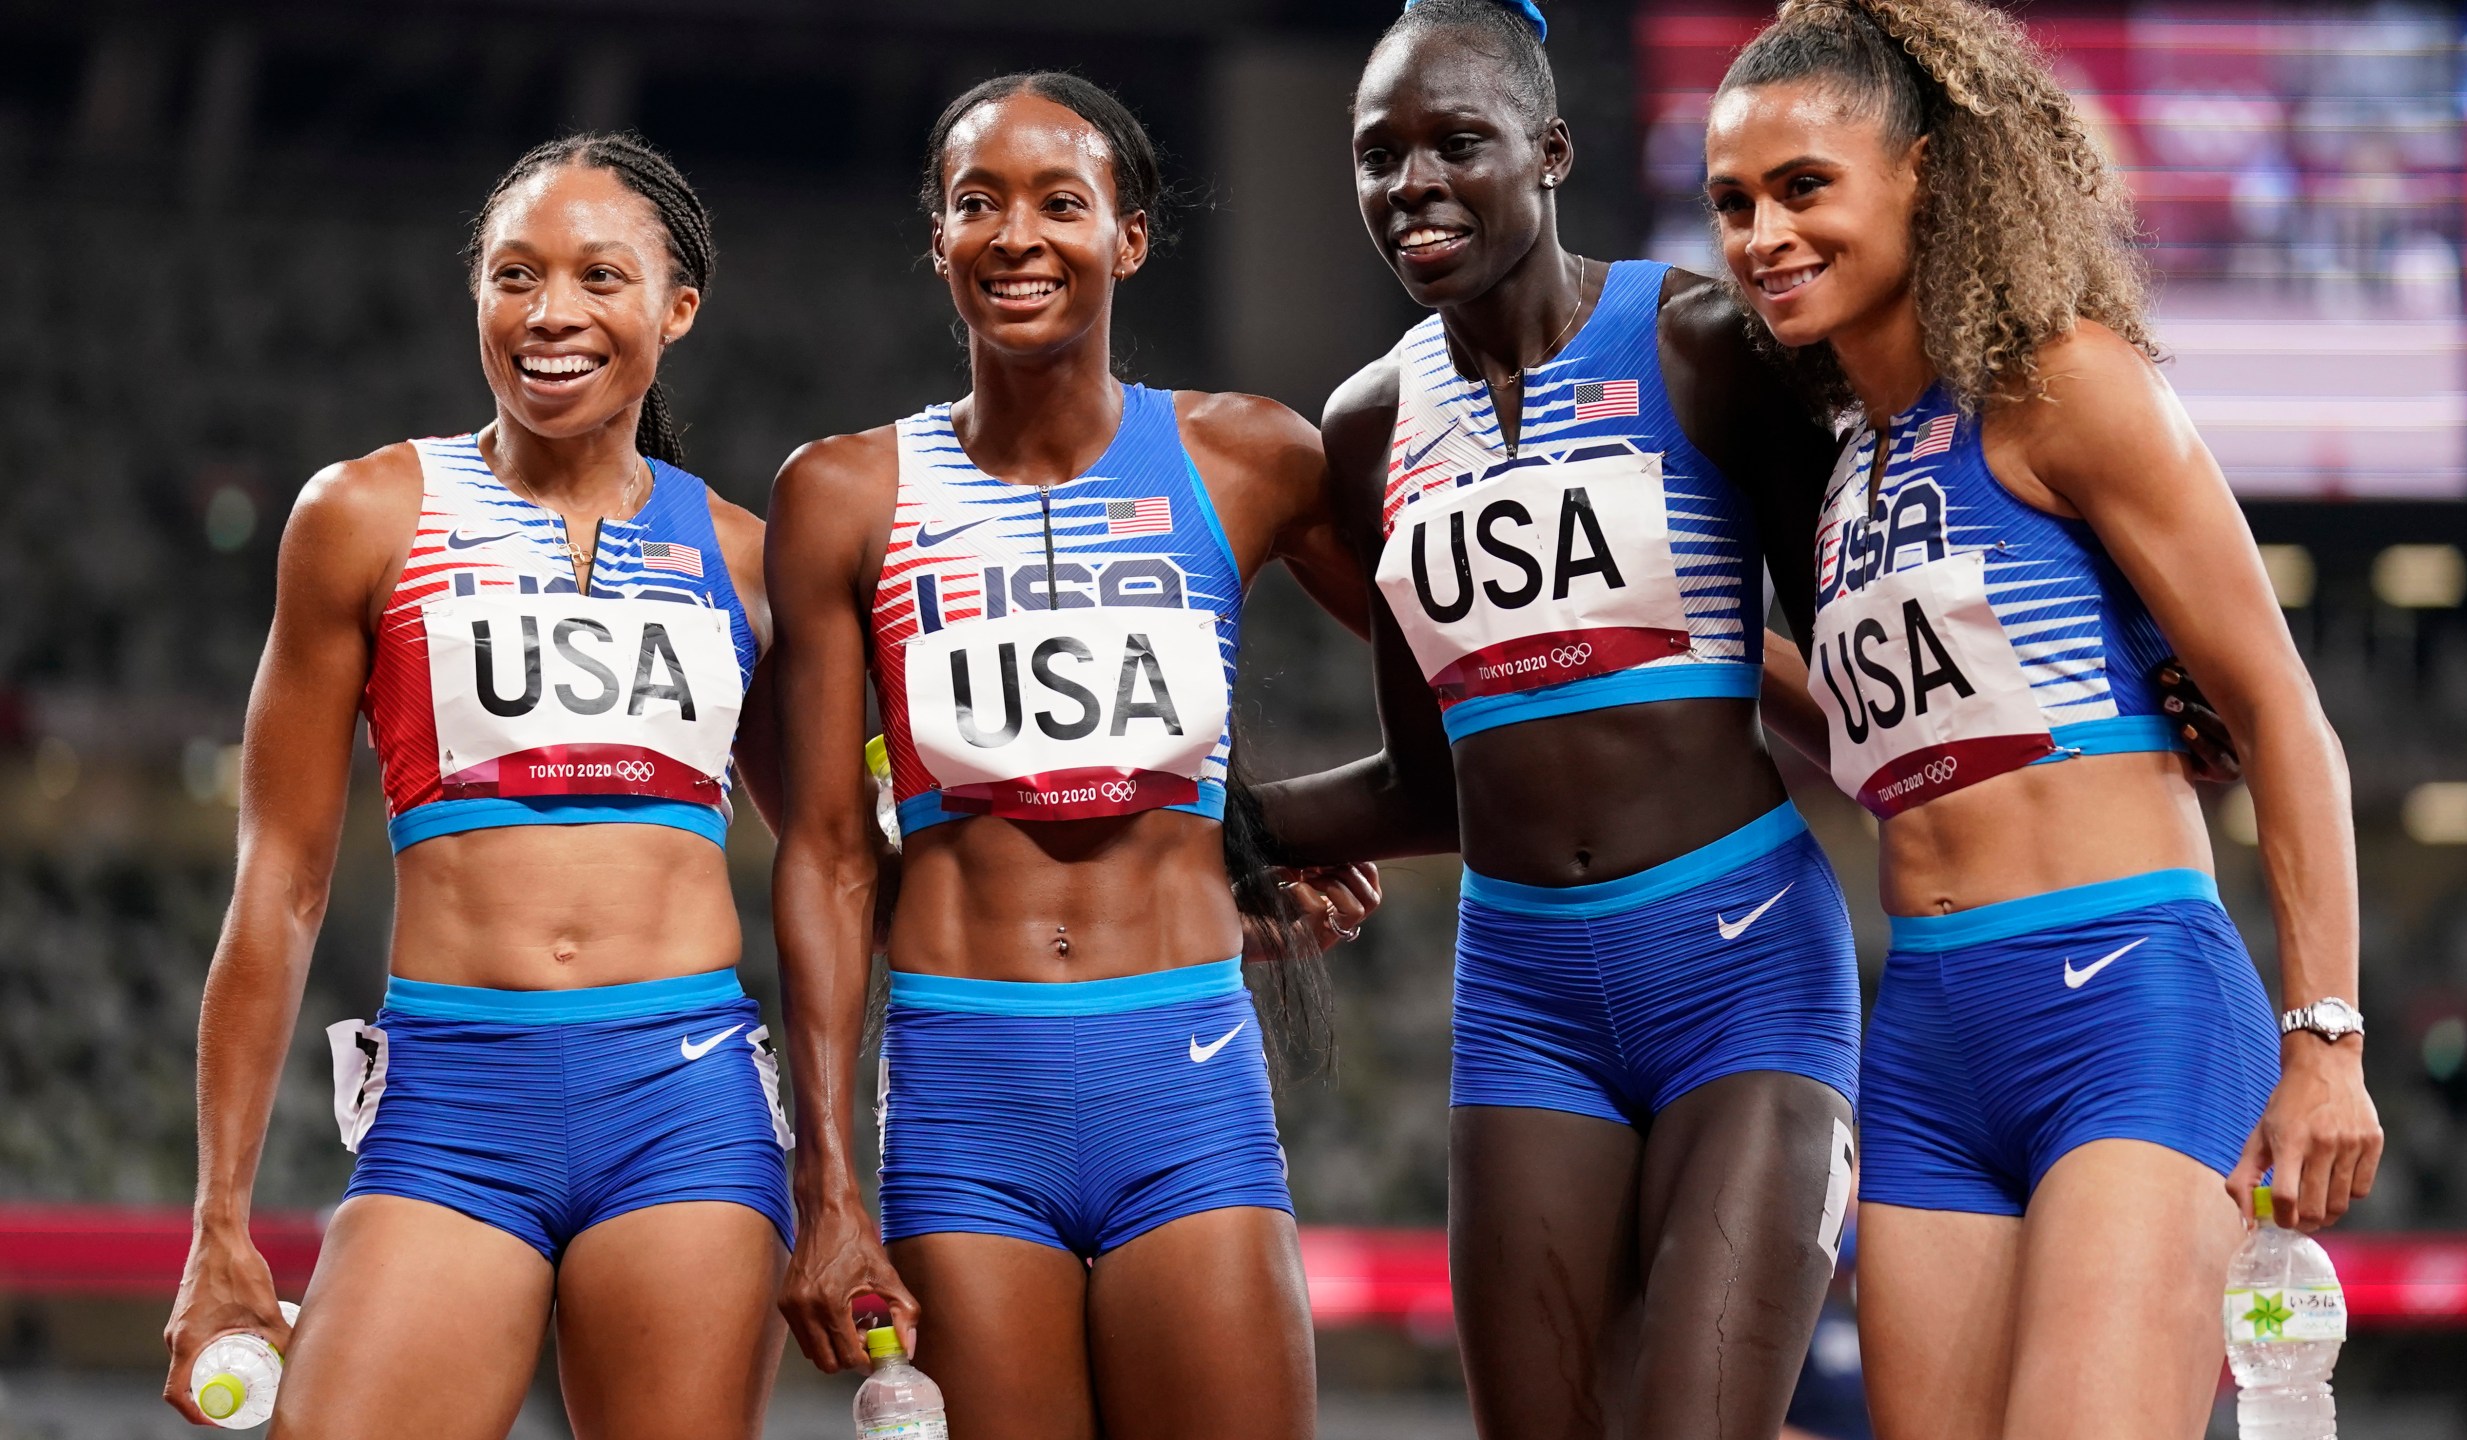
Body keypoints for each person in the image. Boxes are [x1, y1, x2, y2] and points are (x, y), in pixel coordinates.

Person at [1704, 3, 2385, 1436]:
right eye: (1734, 201)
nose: (1762, 233)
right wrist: (1705, 646)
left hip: (2129, 1001)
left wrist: (2325, 1038)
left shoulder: (2060, 386)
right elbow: (1904, 753)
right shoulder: (1840, 477)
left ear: (1928, 175)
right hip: (1932, 1029)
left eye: (1804, 187)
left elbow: (2277, 711)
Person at [1254, 3, 1868, 1435]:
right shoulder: (1365, 425)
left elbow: (1863, 633)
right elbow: (1428, 784)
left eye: (1454, 143)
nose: (1412, 185)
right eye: (1376, 156)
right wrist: (1210, 819)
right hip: (1524, 994)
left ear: (1550, 151)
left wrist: (2150, 671)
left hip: (1745, 971)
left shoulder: (1706, 343)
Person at [763, 71, 1378, 1440]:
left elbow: (1464, 669)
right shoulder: (847, 495)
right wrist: (827, 1186)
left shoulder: (1248, 458)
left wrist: (1297, 837)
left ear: (1131, 234)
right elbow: (822, 851)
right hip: (962, 1098)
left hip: (1187, 1077)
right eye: (975, 203)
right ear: (938, 241)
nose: (1017, 235)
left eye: (1061, 201)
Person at [161, 133, 797, 1438]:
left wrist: (1211, 867)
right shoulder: (366, 516)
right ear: (478, 298)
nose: (551, 313)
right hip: (454, 1096)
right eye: (516, 276)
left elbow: (847, 866)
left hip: (685, 1096)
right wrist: (216, 1217)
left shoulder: (747, 559)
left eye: (599, 277)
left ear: (676, 309)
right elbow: (277, 885)